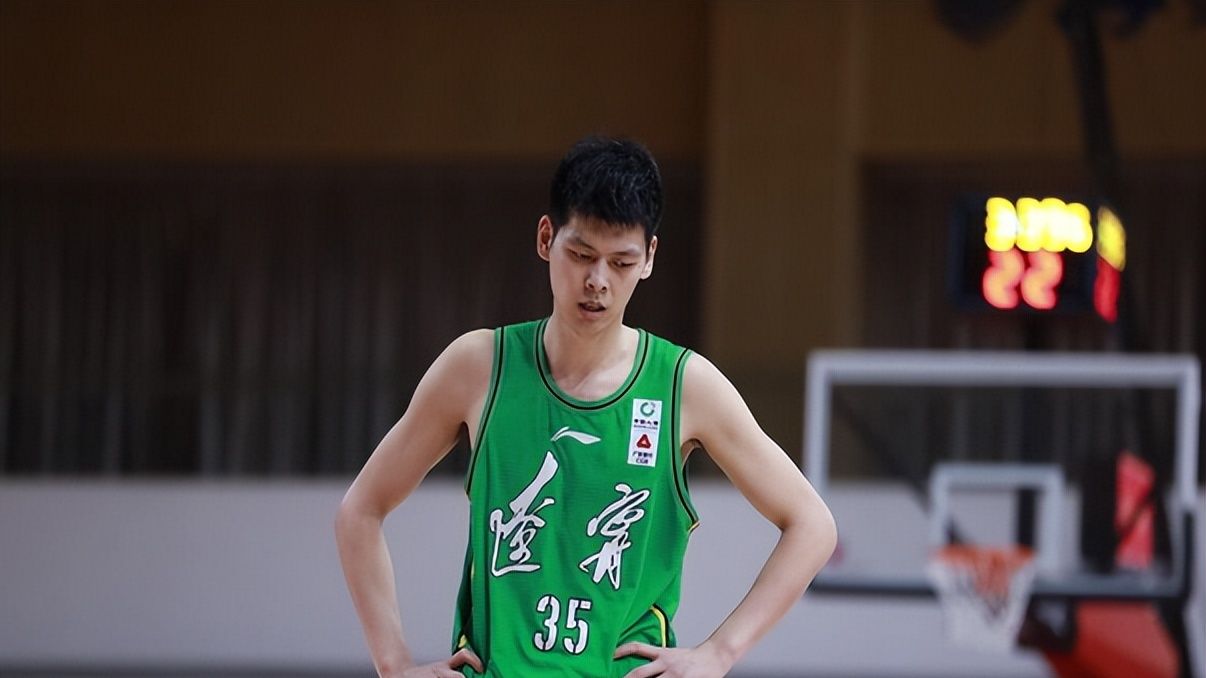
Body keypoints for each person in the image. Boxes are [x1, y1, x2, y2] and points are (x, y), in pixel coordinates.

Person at [335, 136, 837, 678]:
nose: (598, 281)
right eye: (581, 255)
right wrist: (393, 665)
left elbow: (813, 525)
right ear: (545, 238)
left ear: (649, 258)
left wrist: (719, 653)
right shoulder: (479, 367)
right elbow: (359, 511)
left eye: (621, 262)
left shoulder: (683, 386)